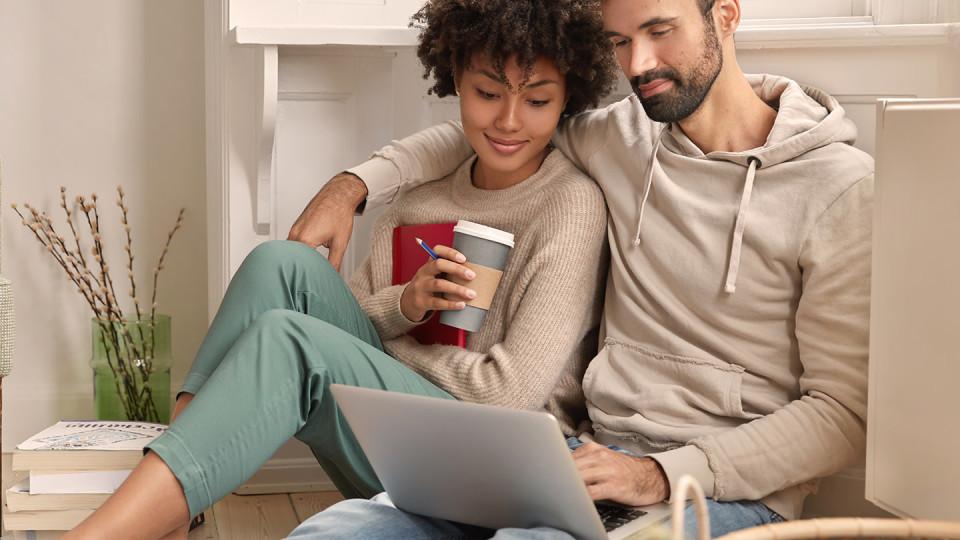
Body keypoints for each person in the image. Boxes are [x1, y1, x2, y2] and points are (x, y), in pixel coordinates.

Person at [285, 0, 874, 537]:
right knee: (333, 533)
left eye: (659, 31)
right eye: (619, 41)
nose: (638, 63)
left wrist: (657, 473)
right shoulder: (623, 134)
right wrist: (353, 184)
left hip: (722, 490)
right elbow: (485, 130)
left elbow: (843, 417)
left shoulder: (838, 187)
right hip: (579, 455)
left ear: (725, 14)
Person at [65, 1, 619, 538]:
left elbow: (508, 396)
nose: (508, 121)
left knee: (292, 341)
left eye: (538, 101)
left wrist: (383, 349)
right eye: (486, 93)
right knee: (279, 263)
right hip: (404, 444)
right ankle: (171, 511)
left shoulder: (570, 206)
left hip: (504, 472)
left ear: (568, 96)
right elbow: (347, 333)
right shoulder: (418, 200)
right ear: (455, 77)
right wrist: (405, 305)